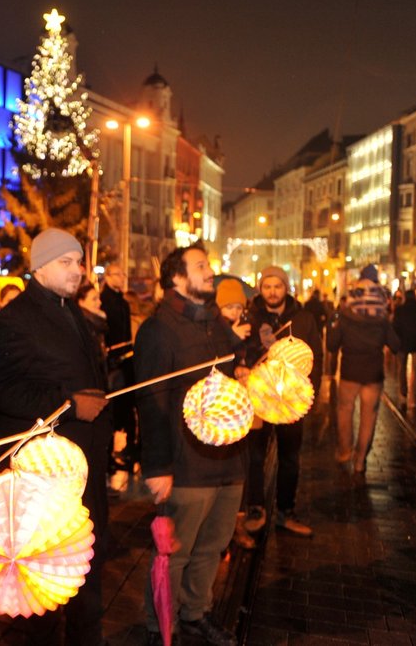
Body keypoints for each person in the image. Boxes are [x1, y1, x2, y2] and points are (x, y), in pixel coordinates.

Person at [0, 228, 111, 646]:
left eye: (79, 261)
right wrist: (71, 404)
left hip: (84, 464)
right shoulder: (14, 319)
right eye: (67, 262)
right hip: (47, 472)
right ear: (39, 267)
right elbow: (5, 391)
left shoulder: (71, 310)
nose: (78, 271)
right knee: (47, 577)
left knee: (86, 565)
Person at [136, 245, 243, 646]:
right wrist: (157, 467)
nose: (210, 271)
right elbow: (151, 401)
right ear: (177, 279)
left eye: (209, 265)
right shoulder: (158, 329)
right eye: (201, 266)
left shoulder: (215, 325)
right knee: (175, 553)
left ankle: (196, 613)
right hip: (185, 465)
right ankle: (159, 624)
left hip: (229, 460)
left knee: (212, 546)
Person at [243, 266, 321, 537]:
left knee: (289, 457)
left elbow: (315, 357)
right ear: (260, 288)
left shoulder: (303, 318)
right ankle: (255, 506)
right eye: (267, 286)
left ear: (285, 287)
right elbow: (239, 351)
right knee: (254, 454)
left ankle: (286, 511)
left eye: (277, 286)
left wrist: (311, 395)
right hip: (259, 396)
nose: (272, 291)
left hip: (290, 399)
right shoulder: (250, 316)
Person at [327, 278, 400, 475]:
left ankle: (344, 451)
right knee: (369, 416)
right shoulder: (382, 320)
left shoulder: (344, 316)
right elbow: (396, 345)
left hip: (350, 371)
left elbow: (331, 346)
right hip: (373, 373)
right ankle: (360, 460)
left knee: (344, 410)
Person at [215, 277, 254, 551]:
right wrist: (232, 338)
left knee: (240, 467)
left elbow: (242, 360)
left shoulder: (242, 329)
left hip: (238, 406)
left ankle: (236, 525)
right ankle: (220, 531)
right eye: (228, 307)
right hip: (218, 409)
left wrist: (244, 366)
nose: (234, 313)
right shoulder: (215, 330)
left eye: (238, 307)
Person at [100, 262, 138, 477]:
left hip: (125, 359)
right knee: (115, 408)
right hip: (113, 362)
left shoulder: (122, 301)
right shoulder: (106, 300)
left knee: (126, 408)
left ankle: (127, 450)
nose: (122, 277)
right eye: (118, 274)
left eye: (123, 274)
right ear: (108, 276)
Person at [392, 289, 416, 409]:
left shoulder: (399, 310)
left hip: (402, 343)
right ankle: (415, 398)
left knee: (401, 369)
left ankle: (403, 393)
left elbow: (395, 326)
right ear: (415, 297)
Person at [77, 281, 108, 356]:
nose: (99, 302)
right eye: (94, 299)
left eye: (99, 298)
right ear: (81, 302)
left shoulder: (96, 321)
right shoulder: (84, 324)